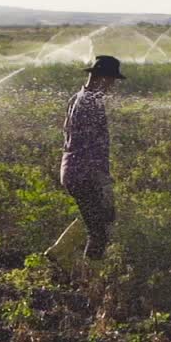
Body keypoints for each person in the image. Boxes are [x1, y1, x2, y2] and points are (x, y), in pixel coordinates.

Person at [53, 55, 124, 260]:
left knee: (101, 218)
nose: (111, 86)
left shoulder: (78, 97)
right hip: (84, 175)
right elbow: (90, 147)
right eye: (111, 81)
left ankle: (57, 253)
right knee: (100, 231)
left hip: (76, 172)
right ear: (101, 78)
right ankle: (85, 275)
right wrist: (102, 180)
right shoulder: (89, 103)